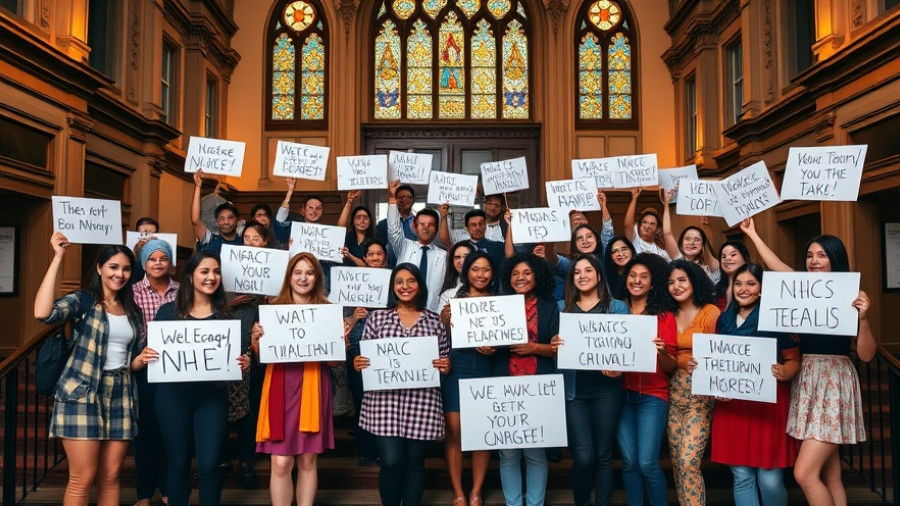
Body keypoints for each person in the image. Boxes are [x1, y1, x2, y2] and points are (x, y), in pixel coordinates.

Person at [741, 218, 875, 506]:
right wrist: (752, 234)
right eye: (810, 255)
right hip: (808, 377)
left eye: (822, 255)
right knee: (832, 477)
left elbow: (865, 355)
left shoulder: (849, 294)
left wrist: (863, 320)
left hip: (834, 379)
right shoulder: (802, 289)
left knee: (804, 474)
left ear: (835, 259)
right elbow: (776, 265)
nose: (814, 261)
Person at [34, 233, 144, 506]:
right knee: (82, 478)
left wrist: (140, 361)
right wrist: (58, 257)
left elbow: (124, 359)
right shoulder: (83, 300)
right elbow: (42, 313)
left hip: (121, 394)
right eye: (114, 267)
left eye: (126, 268)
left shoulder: (132, 310)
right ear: (99, 268)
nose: (120, 274)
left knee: (111, 476)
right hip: (81, 393)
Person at [138, 251, 250, 506]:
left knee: (210, 464)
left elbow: (237, 358)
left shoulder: (226, 317)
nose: (212, 277)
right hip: (171, 398)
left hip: (211, 398)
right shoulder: (168, 312)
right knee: (177, 463)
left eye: (216, 272)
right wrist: (148, 354)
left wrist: (243, 363)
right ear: (190, 277)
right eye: (205, 271)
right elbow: (155, 354)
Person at [354, 263, 451, 506]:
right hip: (384, 402)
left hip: (422, 402)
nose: (405, 286)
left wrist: (445, 365)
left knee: (415, 463)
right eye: (399, 282)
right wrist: (360, 362)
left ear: (420, 285)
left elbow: (444, 358)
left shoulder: (434, 322)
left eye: (410, 281)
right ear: (392, 287)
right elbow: (367, 356)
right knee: (391, 461)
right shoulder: (377, 319)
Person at [710, 263, 801, 506]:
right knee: (741, 476)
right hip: (733, 406)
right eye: (739, 283)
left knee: (769, 479)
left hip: (767, 406)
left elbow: (793, 359)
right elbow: (717, 361)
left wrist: (785, 371)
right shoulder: (723, 319)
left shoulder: (775, 316)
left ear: (762, 288)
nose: (743, 289)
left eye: (751, 283)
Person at [251, 252, 337, 506]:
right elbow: (261, 357)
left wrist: (338, 343)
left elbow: (334, 363)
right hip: (280, 384)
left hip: (314, 385)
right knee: (280, 462)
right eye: (298, 272)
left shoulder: (327, 311)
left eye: (309, 272)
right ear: (289, 277)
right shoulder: (273, 310)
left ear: (317, 277)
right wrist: (256, 342)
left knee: (308, 460)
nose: (303, 278)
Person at [550, 254, 629, 506]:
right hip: (573, 391)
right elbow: (554, 351)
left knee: (604, 455)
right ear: (571, 278)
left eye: (588, 270)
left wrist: (620, 366)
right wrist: (553, 345)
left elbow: (627, 350)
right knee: (583, 457)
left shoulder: (618, 307)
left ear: (598, 275)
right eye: (577, 272)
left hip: (607, 390)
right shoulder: (561, 308)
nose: (582, 275)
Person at [494, 253, 559, 506]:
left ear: (537, 276)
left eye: (527, 273)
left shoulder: (549, 306)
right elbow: (487, 341)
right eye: (515, 273)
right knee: (508, 452)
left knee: (535, 451)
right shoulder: (498, 305)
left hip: (538, 384)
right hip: (504, 383)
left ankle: (535, 504)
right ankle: (512, 503)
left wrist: (533, 348)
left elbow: (558, 347)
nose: (520, 277)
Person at [615, 253, 678, 506]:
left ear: (652, 284)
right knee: (629, 463)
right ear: (626, 279)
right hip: (620, 396)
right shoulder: (615, 311)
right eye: (633, 275)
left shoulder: (664, 317)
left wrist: (663, 352)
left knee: (647, 463)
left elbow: (671, 366)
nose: (637, 281)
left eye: (644, 277)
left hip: (653, 397)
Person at [440, 250, 498, 506]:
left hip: (488, 369)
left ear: (492, 273)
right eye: (475, 269)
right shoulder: (453, 302)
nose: (481, 274)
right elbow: (441, 334)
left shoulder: (501, 302)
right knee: (455, 432)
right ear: (466, 273)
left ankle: (475, 491)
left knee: (481, 432)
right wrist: (444, 318)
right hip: (458, 368)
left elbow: (510, 340)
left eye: (486, 269)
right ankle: (457, 491)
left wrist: (495, 347)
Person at [666, 259, 721, 506]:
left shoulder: (710, 311)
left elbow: (719, 353)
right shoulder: (666, 313)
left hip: (700, 393)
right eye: (671, 282)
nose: (676, 286)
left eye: (682, 280)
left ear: (694, 281)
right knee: (678, 461)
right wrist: (678, 363)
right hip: (672, 390)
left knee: (689, 461)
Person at [220, 221, 269, 488]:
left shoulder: (273, 274)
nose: (250, 241)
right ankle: (224, 458)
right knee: (222, 404)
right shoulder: (227, 272)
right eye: (246, 237)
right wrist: (231, 302)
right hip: (226, 347)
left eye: (256, 238)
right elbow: (211, 306)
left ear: (264, 242)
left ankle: (246, 460)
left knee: (250, 405)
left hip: (257, 349)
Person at [131, 239, 180, 506]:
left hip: (175, 371)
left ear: (170, 262)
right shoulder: (133, 292)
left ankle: (168, 488)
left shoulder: (183, 291)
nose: (158, 263)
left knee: (171, 433)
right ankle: (144, 494)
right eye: (152, 259)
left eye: (163, 258)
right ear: (144, 263)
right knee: (146, 433)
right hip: (145, 370)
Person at [344, 239, 390, 467]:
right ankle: (365, 450)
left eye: (378, 253)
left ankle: (383, 450)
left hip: (386, 350)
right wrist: (354, 318)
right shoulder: (350, 283)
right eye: (370, 254)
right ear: (364, 258)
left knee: (383, 400)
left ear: (385, 257)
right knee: (361, 399)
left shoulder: (394, 283)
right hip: (357, 347)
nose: (374, 258)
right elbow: (342, 325)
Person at [386, 180, 447, 312]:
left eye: (430, 225)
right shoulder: (404, 246)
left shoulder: (444, 256)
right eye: (422, 224)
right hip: (403, 312)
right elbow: (393, 229)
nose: (426, 228)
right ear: (414, 226)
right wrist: (392, 198)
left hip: (432, 314)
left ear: (436, 228)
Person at [661, 189, 719, 282]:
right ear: (681, 243)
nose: (691, 243)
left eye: (696, 239)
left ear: (702, 245)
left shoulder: (711, 265)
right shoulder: (678, 259)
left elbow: (709, 240)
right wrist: (666, 205)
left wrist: (705, 225)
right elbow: (667, 233)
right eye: (687, 239)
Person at [191, 170, 242, 255]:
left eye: (230, 217)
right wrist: (198, 186)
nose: (226, 221)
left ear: (237, 220)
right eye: (222, 218)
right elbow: (196, 220)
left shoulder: (243, 238)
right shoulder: (209, 238)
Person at [439, 206, 505, 266]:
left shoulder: (495, 243)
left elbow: (509, 254)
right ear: (467, 227)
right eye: (473, 225)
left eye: (481, 224)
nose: (478, 228)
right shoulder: (460, 238)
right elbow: (444, 240)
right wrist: (444, 217)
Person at [272, 177, 326, 247]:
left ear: (323, 211)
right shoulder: (293, 228)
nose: (314, 211)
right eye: (310, 207)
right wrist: (289, 193)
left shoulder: (327, 233)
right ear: (303, 210)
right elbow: (280, 218)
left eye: (318, 208)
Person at [377, 183, 417, 266]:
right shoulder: (383, 225)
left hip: (415, 268)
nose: (405, 199)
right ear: (396, 200)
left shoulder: (420, 224)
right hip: (392, 269)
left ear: (413, 200)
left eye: (409, 197)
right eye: (401, 197)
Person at [624, 188, 670, 260]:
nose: (648, 226)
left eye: (652, 224)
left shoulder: (662, 253)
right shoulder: (635, 240)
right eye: (645, 222)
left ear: (658, 229)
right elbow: (627, 225)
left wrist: (667, 204)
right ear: (639, 226)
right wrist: (634, 198)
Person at [337, 190, 377, 267]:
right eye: (358, 218)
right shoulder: (348, 238)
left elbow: (367, 266)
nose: (362, 221)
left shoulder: (374, 240)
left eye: (365, 218)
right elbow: (339, 229)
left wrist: (349, 255)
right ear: (353, 221)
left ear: (370, 221)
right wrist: (349, 202)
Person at [713, 241, 751, 310]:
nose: (727, 258)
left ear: (745, 258)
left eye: (733, 255)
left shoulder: (752, 287)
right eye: (723, 256)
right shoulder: (717, 290)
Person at [438, 240, 475, 310]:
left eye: (466, 256)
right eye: (457, 257)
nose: (461, 260)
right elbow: (440, 319)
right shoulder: (447, 294)